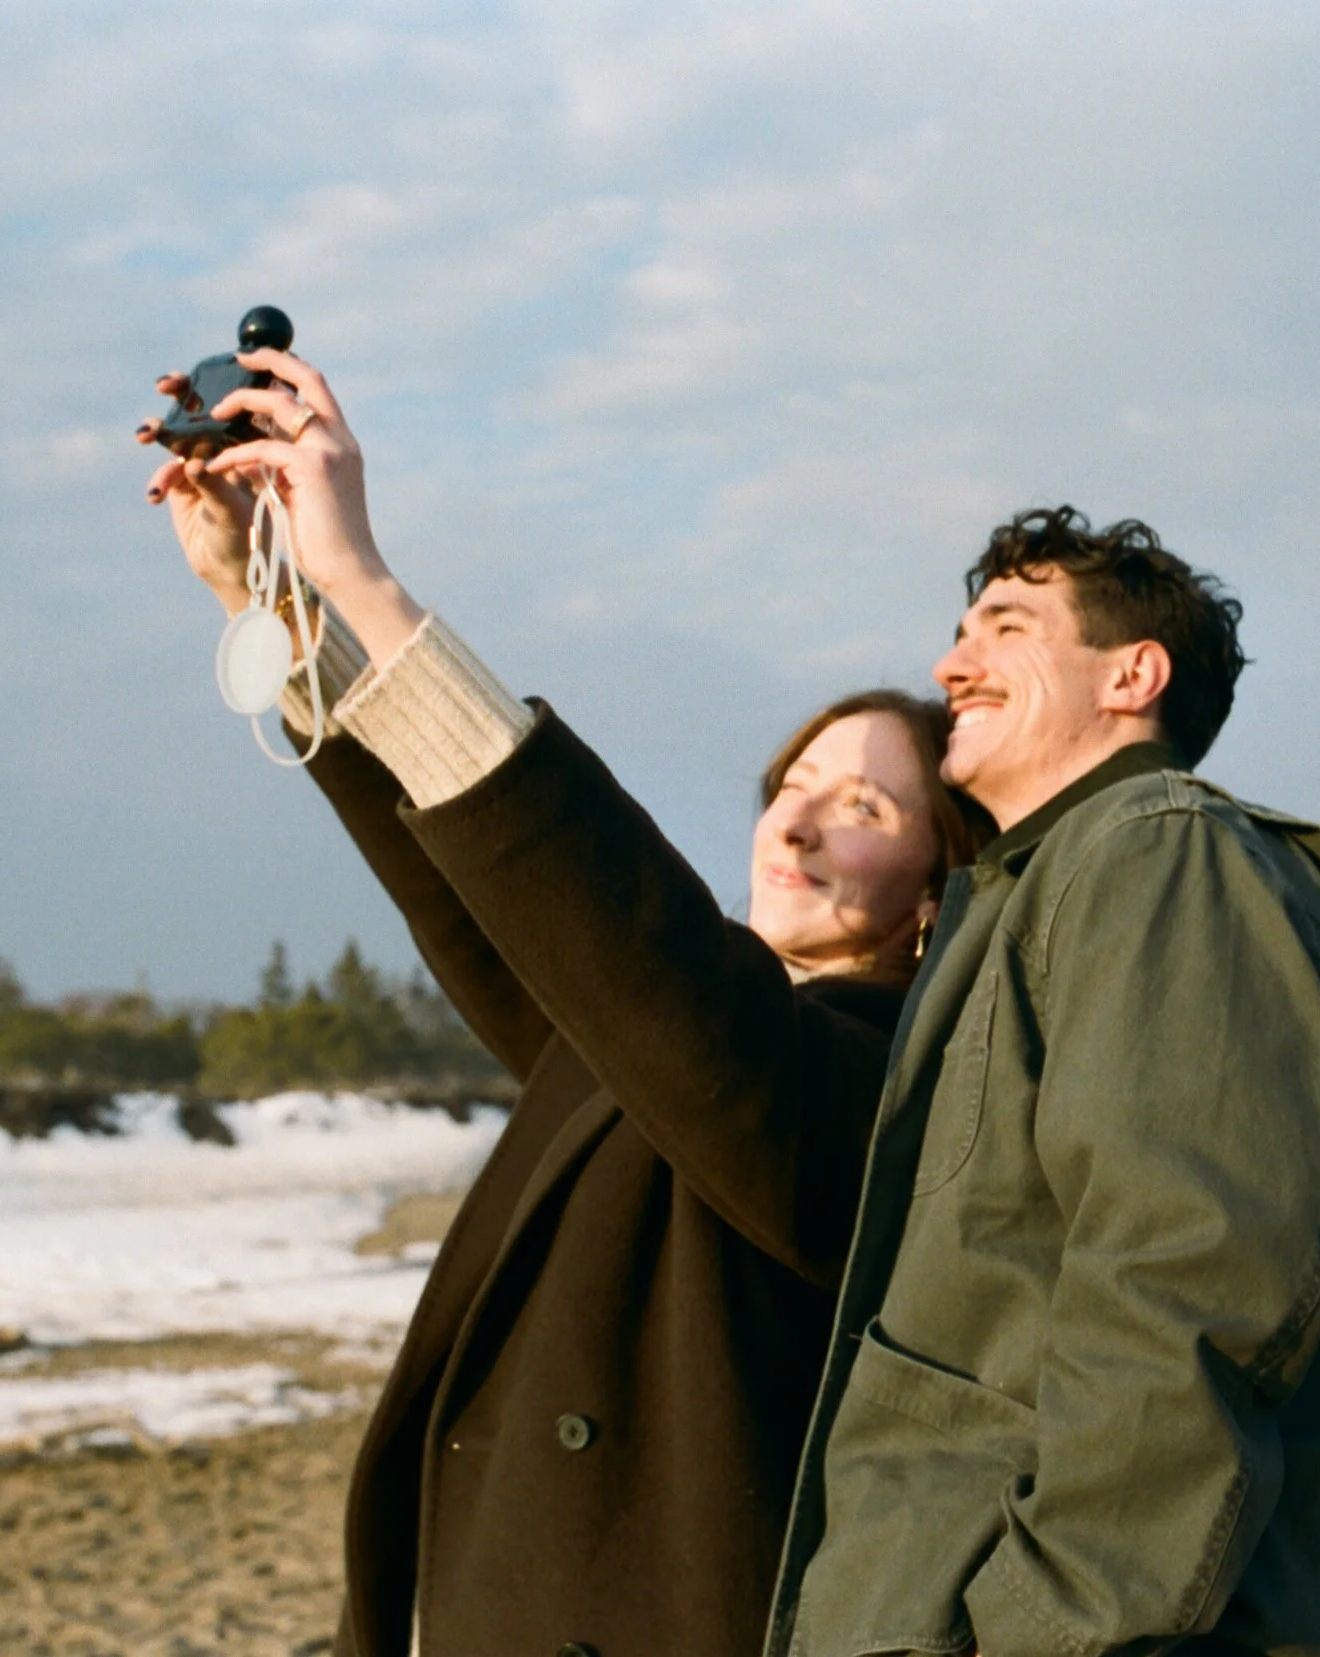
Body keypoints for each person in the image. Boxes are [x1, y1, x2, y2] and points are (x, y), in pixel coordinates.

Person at [140, 347, 990, 1657]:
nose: (795, 824)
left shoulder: (890, 1086)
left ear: (937, 889)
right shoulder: (653, 1033)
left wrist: (366, 582)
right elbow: (474, 893)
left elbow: (634, 952)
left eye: (864, 807)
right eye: (792, 785)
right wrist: (274, 598)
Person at [760, 509, 1320, 1657]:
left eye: (1007, 626)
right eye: (960, 631)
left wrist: (1028, 1631)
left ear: (1132, 675)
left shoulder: (1162, 853)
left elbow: (1186, 1287)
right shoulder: (1051, 887)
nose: (950, 665)